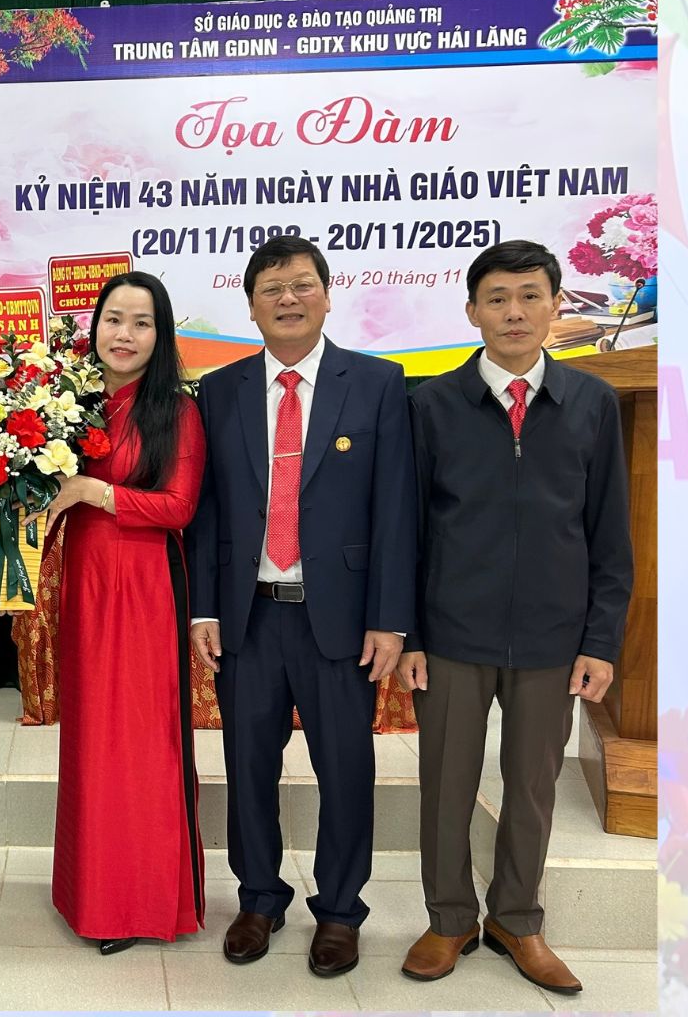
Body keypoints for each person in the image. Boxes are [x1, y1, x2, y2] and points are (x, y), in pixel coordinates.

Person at [396, 240, 632, 994]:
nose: (515, 312)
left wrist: (600, 641)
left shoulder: (591, 403)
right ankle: (448, 919)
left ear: (557, 305)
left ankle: (517, 920)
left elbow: (610, 536)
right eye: (497, 299)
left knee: (532, 788)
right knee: (446, 785)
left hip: (552, 640)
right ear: (472, 311)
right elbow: (407, 532)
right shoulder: (431, 404)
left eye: (531, 296)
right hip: (450, 636)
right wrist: (411, 635)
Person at [187, 235, 416, 975]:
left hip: (341, 621)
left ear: (326, 294)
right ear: (251, 306)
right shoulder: (219, 391)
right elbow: (208, 510)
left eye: (302, 284)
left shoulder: (378, 383)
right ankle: (259, 898)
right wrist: (202, 609)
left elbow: (396, 510)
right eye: (272, 289)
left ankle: (341, 910)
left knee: (346, 770)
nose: (288, 298)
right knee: (247, 766)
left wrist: (389, 617)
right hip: (247, 616)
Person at [43, 272, 208, 955]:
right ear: (95, 327)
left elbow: (179, 507)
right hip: (84, 583)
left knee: (138, 742)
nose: (125, 335)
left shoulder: (177, 410)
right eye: (114, 319)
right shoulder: (65, 403)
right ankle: (89, 893)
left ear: (160, 336)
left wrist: (96, 491)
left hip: (144, 589)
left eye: (142, 323)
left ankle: (140, 901)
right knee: (90, 739)